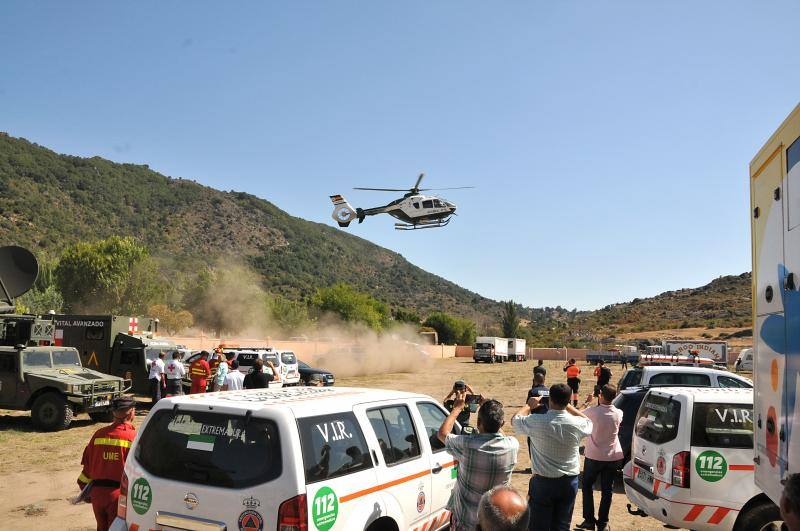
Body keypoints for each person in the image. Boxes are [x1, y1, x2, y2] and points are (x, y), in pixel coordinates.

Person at [512, 383, 593, 531]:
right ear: (568, 400)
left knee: (538, 525)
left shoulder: (536, 421)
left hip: (543, 482)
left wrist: (528, 406)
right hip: (569, 482)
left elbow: (515, 421)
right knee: (562, 525)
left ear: (550, 400)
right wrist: (569, 407)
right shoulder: (577, 424)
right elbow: (589, 422)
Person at [437, 388, 519, 531]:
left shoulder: (467, 445)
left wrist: (457, 408)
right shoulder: (512, 445)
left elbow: (442, 433)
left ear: (478, 422)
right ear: (502, 423)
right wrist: (487, 405)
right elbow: (502, 435)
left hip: (467, 523)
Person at [77, 396, 137, 531]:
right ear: (131, 412)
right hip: (118, 496)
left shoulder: (98, 435)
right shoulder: (133, 437)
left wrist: (84, 489)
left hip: (97, 495)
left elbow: (87, 466)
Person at [577, 385, 624, 531]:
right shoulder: (619, 413)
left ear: (601, 396)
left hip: (594, 456)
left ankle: (589, 520)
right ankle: (603, 523)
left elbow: (576, 414)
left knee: (587, 486)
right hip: (612, 456)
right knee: (607, 490)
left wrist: (587, 402)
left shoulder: (593, 412)